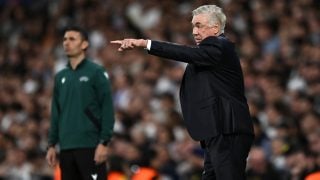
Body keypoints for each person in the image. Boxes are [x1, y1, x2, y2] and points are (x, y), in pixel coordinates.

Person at [111, 4, 254, 180]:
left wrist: (145, 43)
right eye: (193, 26)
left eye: (199, 25)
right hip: (218, 130)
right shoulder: (212, 53)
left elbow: (185, 53)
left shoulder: (219, 45)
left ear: (216, 28)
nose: (194, 31)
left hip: (227, 128)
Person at [46, 26, 115, 180]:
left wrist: (104, 142)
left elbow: (107, 108)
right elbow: (56, 113)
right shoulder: (60, 77)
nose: (66, 43)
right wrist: (51, 144)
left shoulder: (96, 72)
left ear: (84, 44)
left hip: (90, 144)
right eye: (64, 39)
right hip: (66, 146)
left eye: (72, 39)